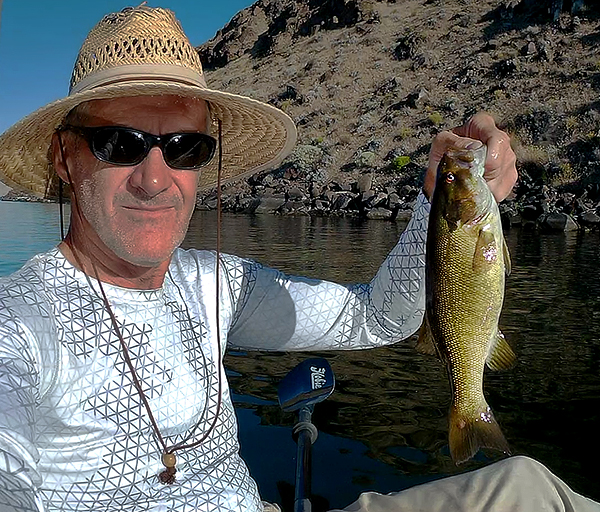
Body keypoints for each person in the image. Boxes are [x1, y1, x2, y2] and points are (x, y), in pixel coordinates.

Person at [0, 5, 596, 512]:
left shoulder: (217, 284)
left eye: (185, 147)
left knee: (531, 487)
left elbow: (378, 318)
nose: (156, 178)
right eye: (120, 144)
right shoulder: (17, 329)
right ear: (64, 158)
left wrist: (436, 199)